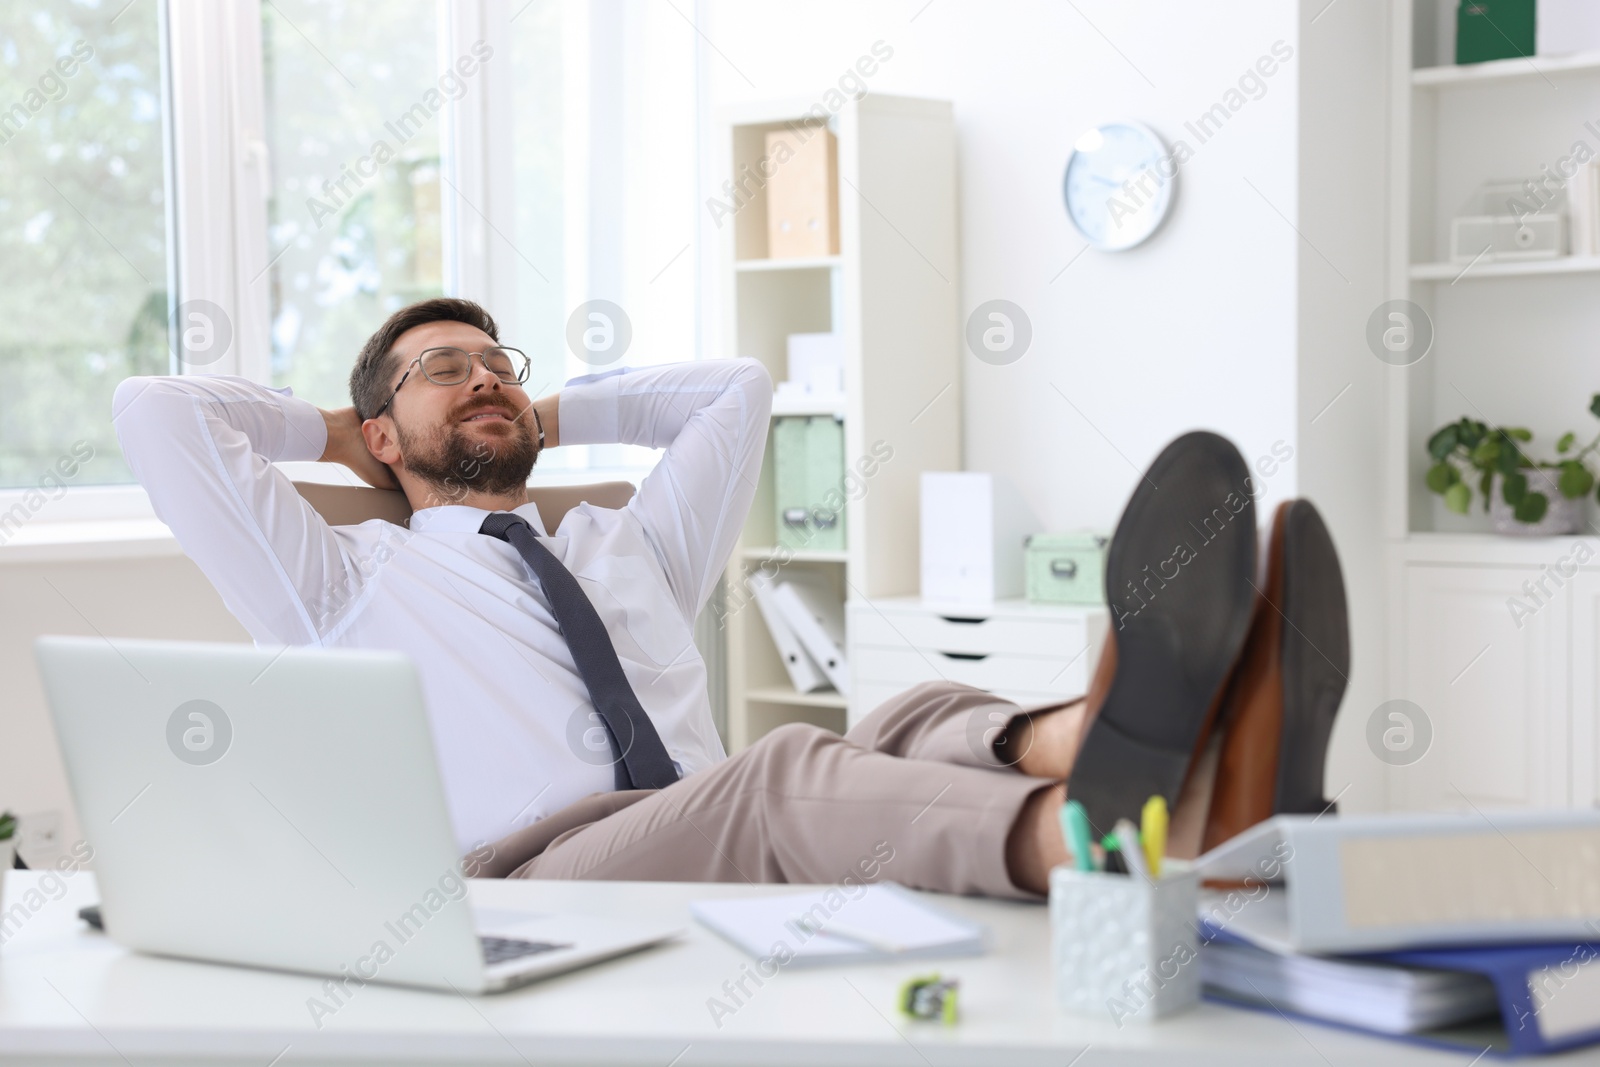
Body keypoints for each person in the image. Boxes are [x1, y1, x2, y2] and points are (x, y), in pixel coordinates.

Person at [115, 297, 1348, 899]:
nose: (485, 375)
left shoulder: (623, 545)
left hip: (692, 831)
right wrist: (335, 428)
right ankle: (1131, 837)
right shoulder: (338, 582)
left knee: (914, 705)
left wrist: (523, 409)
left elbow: (736, 391)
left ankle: (1123, 742)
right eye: (446, 370)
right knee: (781, 769)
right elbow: (157, 415)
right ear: (382, 431)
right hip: (531, 883)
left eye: (500, 362)